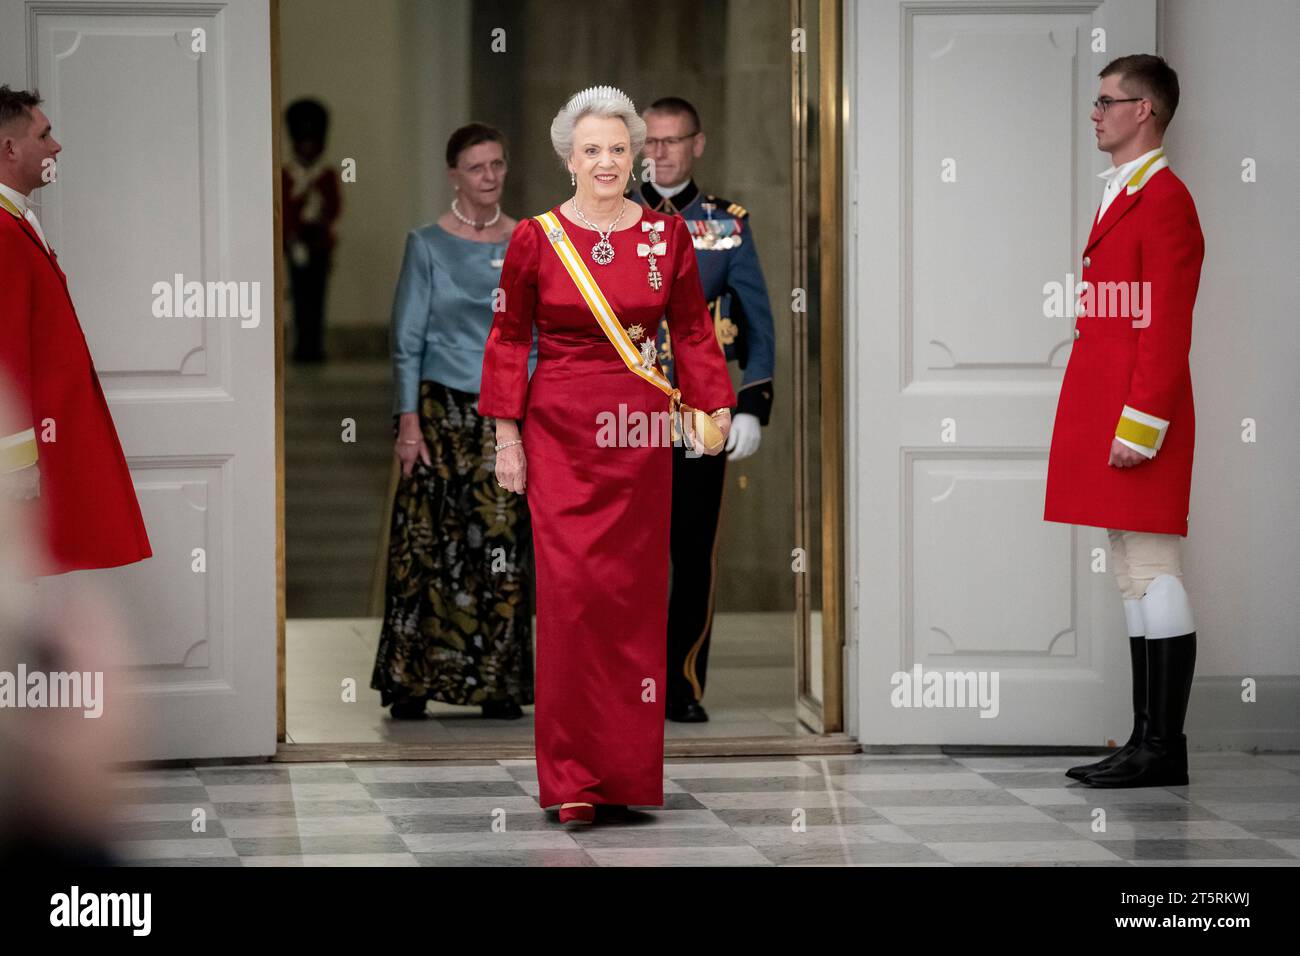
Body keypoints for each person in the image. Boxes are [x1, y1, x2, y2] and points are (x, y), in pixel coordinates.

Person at [478, 86, 736, 825]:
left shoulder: (665, 237)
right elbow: (506, 338)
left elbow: (691, 329)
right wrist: (506, 436)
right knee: (570, 604)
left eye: (619, 149)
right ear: (568, 158)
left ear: (637, 156)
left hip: (641, 438)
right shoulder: (537, 237)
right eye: (591, 149)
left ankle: (623, 772)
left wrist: (714, 408)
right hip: (559, 436)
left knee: (630, 602)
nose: (606, 161)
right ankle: (571, 781)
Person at [1044, 55, 1204, 788]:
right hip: (1117, 412)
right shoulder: (1126, 193)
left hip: (1144, 418)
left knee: (1153, 568)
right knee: (1132, 573)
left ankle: (1163, 749)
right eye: (1096, 99)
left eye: (1108, 101)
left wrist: (1141, 424)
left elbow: (1167, 326)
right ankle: (1145, 740)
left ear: (1145, 110)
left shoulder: (1165, 198)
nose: (1095, 112)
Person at [371, 124, 538, 721]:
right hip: (440, 412)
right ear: (453, 175)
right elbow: (406, 340)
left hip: (505, 415)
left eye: (497, 164)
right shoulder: (426, 245)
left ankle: (496, 682)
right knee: (430, 540)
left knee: (501, 541)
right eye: (476, 167)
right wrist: (407, 422)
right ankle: (413, 680)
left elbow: (536, 336)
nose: (489, 176)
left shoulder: (529, 239)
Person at [631, 96, 776, 723]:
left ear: (698, 143)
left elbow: (759, 321)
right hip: (624, 417)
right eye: (649, 142)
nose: (657, 154)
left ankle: (682, 682)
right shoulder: (610, 217)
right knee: (626, 553)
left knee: (691, 552)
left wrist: (752, 405)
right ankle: (628, 683)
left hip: (698, 415)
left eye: (670, 141)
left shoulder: (726, 224)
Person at [0, 85, 151, 576]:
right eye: (45, 134)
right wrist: (16, 461)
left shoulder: (14, 219)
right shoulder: (2, 231)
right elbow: (5, 354)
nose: (56, 146)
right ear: (9, 149)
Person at [282, 98, 342, 362]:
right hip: (295, 245)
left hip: (319, 245)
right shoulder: (287, 175)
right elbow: (283, 208)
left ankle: (314, 345)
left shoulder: (326, 174)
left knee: (318, 297)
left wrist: (322, 219)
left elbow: (335, 206)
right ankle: (301, 345)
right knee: (299, 295)